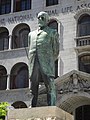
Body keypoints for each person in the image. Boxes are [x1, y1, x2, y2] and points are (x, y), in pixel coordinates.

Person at [28, 11, 59, 107]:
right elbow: (30, 47)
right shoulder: (31, 34)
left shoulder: (52, 33)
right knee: (33, 86)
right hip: (34, 62)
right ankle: (33, 105)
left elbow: (56, 51)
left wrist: (49, 60)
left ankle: (52, 106)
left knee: (50, 86)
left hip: (47, 63)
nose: (40, 20)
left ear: (47, 20)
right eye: (39, 17)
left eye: (42, 18)